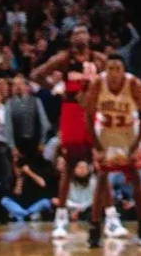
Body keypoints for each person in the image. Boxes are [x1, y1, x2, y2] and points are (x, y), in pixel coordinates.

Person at [30, 23, 103, 242]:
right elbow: (36, 74)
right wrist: (55, 87)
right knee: (70, 165)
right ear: (70, 39)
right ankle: (60, 219)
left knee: (100, 165)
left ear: (90, 37)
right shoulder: (63, 59)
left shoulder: (98, 59)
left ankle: (106, 217)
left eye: (84, 31)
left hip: (92, 112)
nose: (81, 36)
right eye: (76, 33)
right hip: (71, 111)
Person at [82, 52, 141, 247]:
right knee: (101, 178)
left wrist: (138, 142)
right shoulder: (98, 83)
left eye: (118, 69)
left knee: (136, 178)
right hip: (105, 132)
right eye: (110, 69)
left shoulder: (134, 84)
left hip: (128, 133)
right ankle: (95, 228)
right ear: (106, 70)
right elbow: (88, 115)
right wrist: (96, 145)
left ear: (124, 70)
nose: (114, 73)